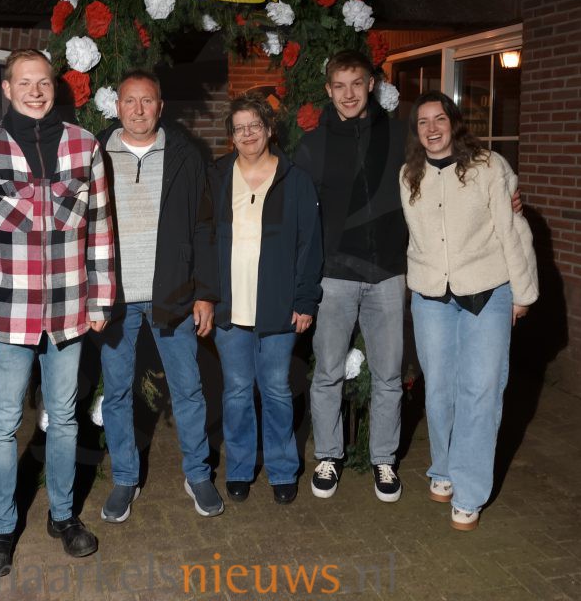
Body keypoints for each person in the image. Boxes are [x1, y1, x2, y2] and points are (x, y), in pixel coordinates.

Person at [0, 48, 116, 576]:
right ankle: (2, 527)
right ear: (7, 89)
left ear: (55, 86)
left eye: (43, 81)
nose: (35, 91)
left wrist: (102, 297)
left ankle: (63, 516)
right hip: (6, 316)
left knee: (64, 419)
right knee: (4, 423)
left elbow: (102, 229)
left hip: (70, 311)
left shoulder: (84, 146)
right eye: (24, 82)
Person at [400, 90, 538, 531]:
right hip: (431, 296)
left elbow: (513, 228)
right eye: (423, 122)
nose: (432, 129)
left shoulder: (488, 167)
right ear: (416, 131)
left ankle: (470, 489)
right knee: (440, 389)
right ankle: (443, 467)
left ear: (453, 123)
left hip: (488, 290)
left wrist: (522, 293)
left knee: (480, 390)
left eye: (439, 119)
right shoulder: (409, 175)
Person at [94, 69, 224, 521]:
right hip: (114, 297)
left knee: (189, 389)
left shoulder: (187, 155)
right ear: (117, 107)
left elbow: (205, 228)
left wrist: (205, 293)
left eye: (147, 101)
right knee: (116, 394)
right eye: (130, 101)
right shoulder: (95, 154)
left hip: (173, 293)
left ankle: (199, 474)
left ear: (160, 106)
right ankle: (125, 479)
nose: (138, 110)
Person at [293, 50, 409, 502]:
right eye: (339, 86)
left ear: (371, 85)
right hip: (334, 277)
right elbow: (298, 213)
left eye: (356, 84)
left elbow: (442, 173)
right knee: (326, 373)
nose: (348, 94)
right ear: (328, 90)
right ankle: (328, 454)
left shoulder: (398, 136)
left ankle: (384, 459)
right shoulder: (314, 144)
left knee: (388, 376)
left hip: (386, 274)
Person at [209, 92, 322, 505]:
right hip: (229, 305)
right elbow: (205, 240)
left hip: (278, 305)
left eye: (255, 125)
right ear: (231, 136)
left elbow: (311, 246)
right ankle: (239, 468)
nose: (248, 134)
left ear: (270, 129)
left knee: (275, 389)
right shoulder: (218, 175)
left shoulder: (295, 179)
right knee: (237, 391)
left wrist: (306, 301)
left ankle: (281, 468)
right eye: (239, 128)